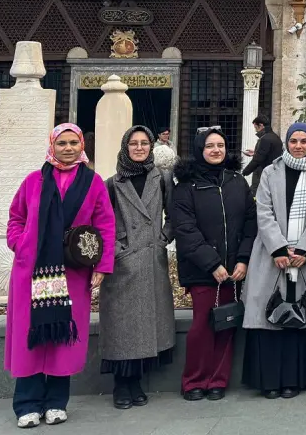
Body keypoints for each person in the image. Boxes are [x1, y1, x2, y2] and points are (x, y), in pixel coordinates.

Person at [4, 123, 115, 428]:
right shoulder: (34, 181)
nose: (68, 148)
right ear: (52, 146)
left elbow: (105, 225)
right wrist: (20, 243)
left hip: (72, 271)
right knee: (31, 335)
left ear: (82, 146)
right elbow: (16, 217)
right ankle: (27, 404)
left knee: (63, 335)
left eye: (73, 143)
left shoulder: (93, 183)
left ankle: (56, 402)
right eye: (62, 143)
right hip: (32, 272)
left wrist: (102, 265)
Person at [242, 122, 306, 399]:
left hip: (304, 258)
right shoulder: (271, 171)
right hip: (272, 255)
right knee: (270, 318)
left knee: (300, 314)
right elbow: (263, 211)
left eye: (304, 141)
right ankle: (270, 381)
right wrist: (278, 249)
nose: (299, 146)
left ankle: (293, 380)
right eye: (294, 141)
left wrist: (304, 249)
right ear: (287, 143)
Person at [169, 127, 255, 402]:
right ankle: (194, 380)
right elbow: (185, 230)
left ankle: (218, 380)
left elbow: (250, 223)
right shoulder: (186, 187)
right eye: (210, 146)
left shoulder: (237, 182)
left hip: (233, 271)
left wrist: (243, 259)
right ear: (199, 150)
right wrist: (212, 264)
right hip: (203, 270)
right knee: (202, 328)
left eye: (220, 145)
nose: (216, 150)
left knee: (227, 324)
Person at [100, 126, 175, 409]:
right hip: (122, 264)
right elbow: (102, 221)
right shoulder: (112, 183)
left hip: (151, 259)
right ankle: (121, 384)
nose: (140, 148)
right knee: (122, 327)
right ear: (125, 147)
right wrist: (118, 249)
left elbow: (174, 213)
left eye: (145, 143)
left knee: (146, 325)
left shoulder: (162, 179)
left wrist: (163, 238)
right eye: (134, 143)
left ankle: (137, 382)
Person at [243, 116, 284, 192]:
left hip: (263, 174)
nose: (256, 131)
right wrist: (255, 153)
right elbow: (270, 153)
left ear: (261, 125)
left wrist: (244, 172)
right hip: (273, 173)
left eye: (256, 128)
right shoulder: (275, 137)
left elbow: (257, 160)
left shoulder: (265, 139)